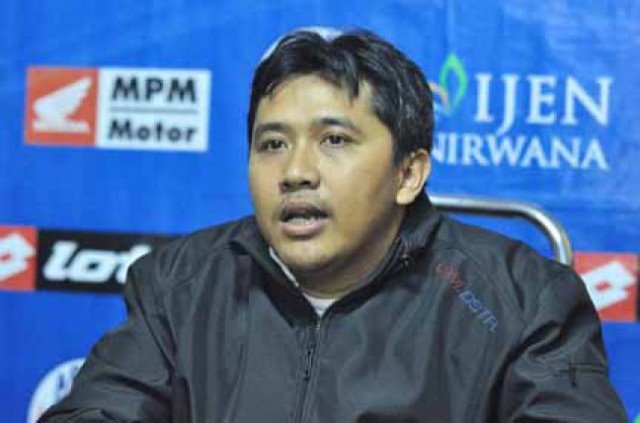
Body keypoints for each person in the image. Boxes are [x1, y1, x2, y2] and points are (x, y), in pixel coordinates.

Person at [40, 29, 628, 422]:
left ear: (408, 174)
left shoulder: (520, 301)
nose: (296, 172)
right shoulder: (180, 285)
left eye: (334, 141)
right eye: (272, 144)